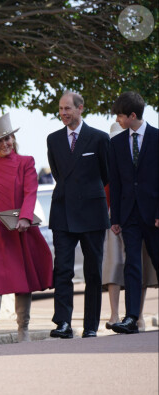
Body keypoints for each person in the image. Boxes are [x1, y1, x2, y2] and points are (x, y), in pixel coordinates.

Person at [0, 113, 53, 345]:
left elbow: (31, 192)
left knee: (23, 282)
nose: (4, 144)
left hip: (22, 229)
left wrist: (25, 218)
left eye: (7, 138)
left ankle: (24, 331)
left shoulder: (26, 162)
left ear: (13, 138)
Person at [47, 91, 110, 339]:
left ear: (80, 108)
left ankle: (91, 326)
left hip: (92, 213)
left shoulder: (99, 138)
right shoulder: (52, 139)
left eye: (67, 109)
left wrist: (88, 194)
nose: (63, 113)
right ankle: (63, 323)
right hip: (62, 210)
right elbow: (56, 172)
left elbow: (106, 175)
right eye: (61, 109)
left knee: (93, 271)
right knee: (62, 269)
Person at [108, 92, 159, 334]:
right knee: (132, 265)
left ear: (132, 115)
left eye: (119, 116)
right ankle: (131, 318)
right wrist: (115, 218)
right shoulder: (116, 143)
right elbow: (116, 183)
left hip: (155, 213)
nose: (117, 120)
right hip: (129, 215)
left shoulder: (158, 138)